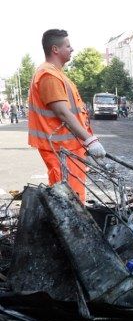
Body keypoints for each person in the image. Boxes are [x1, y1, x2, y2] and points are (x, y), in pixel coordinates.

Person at [27, 29, 106, 203]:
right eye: (68, 46)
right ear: (55, 49)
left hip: (67, 148)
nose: (72, 49)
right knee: (68, 201)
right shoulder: (49, 75)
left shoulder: (56, 74)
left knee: (72, 198)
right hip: (61, 149)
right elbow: (62, 112)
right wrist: (90, 140)